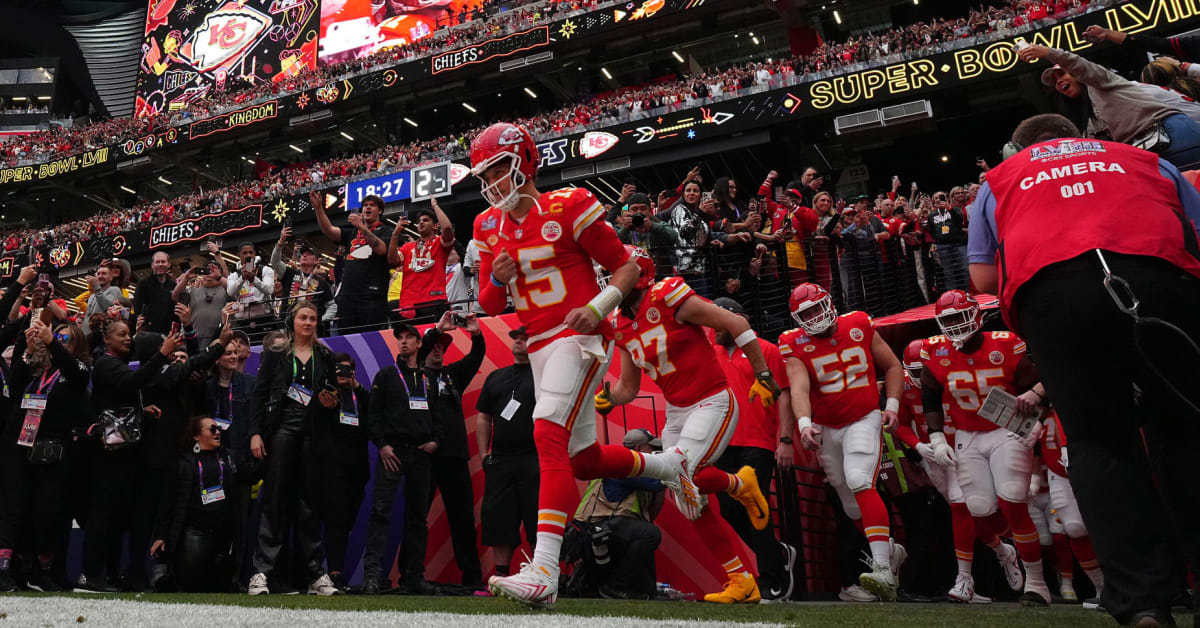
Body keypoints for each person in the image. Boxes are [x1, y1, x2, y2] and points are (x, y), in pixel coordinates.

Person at [968, 113, 1200, 626]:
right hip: (1158, 274)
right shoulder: (1145, 158)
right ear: (1083, 138)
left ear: (1017, 148)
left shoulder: (999, 181)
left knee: (1099, 443)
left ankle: (1143, 604)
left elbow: (983, 274)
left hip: (1054, 294)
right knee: (1186, 431)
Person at [470, 122, 687, 608]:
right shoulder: (487, 226)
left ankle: (545, 568)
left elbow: (627, 265)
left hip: (580, 334)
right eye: (484, 174)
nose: (492, 183)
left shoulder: (569, 204)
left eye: (496, 170)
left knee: (545, 427)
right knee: (582, 458)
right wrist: (498, 281)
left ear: (522, 163)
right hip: (541, 343)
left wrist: (598, 306)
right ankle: (665, 466)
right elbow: (487, 304)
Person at [595, 247, 781, 604]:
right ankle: (741, 579)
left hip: (712, 400)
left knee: (682, 470)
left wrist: (762, 373)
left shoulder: (668, 297)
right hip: (679, 411)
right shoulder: (620, 322)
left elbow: (736, 323)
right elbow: (629, 387)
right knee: (687, 498)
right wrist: (611, 398)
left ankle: (738, 484)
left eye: (616, 270)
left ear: (640, 273)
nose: (610, 279)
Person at [917, 290, 1049, 606]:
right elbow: (931, 397)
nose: (955, 325)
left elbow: (1038, 388)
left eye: (959, 317)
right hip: (968, 434)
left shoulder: (1005, 344)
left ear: (976, 316)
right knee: (978, 508)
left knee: (1014, 501)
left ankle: (1038, 584)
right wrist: (936, 437)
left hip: (1007, 429)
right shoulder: (934, 351)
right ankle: (1009, 551)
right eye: (947, 320)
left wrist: (1037, 421)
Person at [779, 283, 906, 601]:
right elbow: (799, 387)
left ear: (830, 303)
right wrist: (804, 424)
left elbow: (892, 365)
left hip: (863, 416)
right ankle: (890, 550)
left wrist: (891, 405)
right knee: (850, 505)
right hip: (826, 427)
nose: (814, 317)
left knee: (859, 480)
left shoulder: (859, 323)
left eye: (816, 308)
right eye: (805, 314)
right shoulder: (792, 342)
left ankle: (882, 569)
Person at [893, 340, 1023, 604]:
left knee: (963, 508)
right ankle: (1002, 551)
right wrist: (918, 444)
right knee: (967, 516)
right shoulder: (905, 386)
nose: (920, 378)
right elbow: (901, 423)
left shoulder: (952, 374)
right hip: (936, 456)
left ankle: (965, 580)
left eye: (923, 371)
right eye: (914, 372)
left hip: (967, 447)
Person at [79, 317, 180, 592]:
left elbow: (119, 397)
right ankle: (90, 574)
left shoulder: (116, 363)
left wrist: (141, 411)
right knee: (101, 515)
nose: (128, 338)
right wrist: (162, 354)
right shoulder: (105, 363)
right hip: (106, 454)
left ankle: (107, 574)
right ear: (107, 340)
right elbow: (134, 380)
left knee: (112, 518)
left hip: (121, 452)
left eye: (129, 334)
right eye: (122, 334)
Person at [247, 301, 340, 596]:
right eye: (303, 317)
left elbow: (332, 395)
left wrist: (332, 403)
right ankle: (261, 573)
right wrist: (255, 433)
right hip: (282, 432)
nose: (309, 323)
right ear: (293, 320)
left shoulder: (325, 354)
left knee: (309, 507)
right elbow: (259, 395)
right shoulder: (276, 354)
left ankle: (316, 576)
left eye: (313, 318)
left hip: (313, 434)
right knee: (274, 502)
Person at [708, 296, 797, 604]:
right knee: (730, 513)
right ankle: (776, 553)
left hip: (757, 442)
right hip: (721, 444)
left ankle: (772, 578)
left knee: (754, 508)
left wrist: (785, 439)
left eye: (719, 320)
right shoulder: (711, 351)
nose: (714, 327)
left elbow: (784, 394)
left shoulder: (766, 349)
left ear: (737, 319)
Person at [0, 320, 91, 593]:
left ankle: (42, 570)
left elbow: (76, 374)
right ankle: (5, 569)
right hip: (17, 444)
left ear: (75, 346)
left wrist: (53, 342)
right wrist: (28, 353)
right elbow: (13, 389)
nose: (58, 342)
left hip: (52, 449)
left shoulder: (78, 369)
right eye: (55, 337)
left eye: (66, 340)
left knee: (47, 511)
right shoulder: (32, 366)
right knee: (12, 508)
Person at [1017, 43, 1200, 168]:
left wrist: (1048, 53)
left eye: (1062, 74)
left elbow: (1080, 65)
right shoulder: (1089, 117)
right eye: (1055, 81)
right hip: (1153, 145)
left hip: (1170, 133)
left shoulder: (1100, 82)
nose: (1059, 82)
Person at [362, 322, 442, 595]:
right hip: (392, 453)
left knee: (418, 517)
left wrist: (435, 441)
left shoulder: (429, 378)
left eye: (409, 338)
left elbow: (439, 416)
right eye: (400, 338)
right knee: (381, 513)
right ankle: (372, 576)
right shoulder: (385, 375)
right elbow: (373, 416)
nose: (404, 342)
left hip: (421, 453)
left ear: (420, 344)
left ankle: (413, 577)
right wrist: (382, 446)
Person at [421, 312, 485, 587]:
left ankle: (471, 579)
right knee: (416, 517)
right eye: (434, 346)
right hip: (422, 457)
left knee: (462, 520)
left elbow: (475, 357)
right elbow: (419, 349)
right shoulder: (409, 374)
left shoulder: (453, 375)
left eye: (442, 347)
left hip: (455, 458)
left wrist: (476, 333)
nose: (438, 350)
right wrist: (438, 329)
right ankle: (412, 576)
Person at [150, 416, 244, 592]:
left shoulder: (229, 458)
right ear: (196, 435)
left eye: (219, 429)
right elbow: (167, 503)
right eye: (212, 429)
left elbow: (250, 474)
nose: (218, 433)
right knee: (192, 586)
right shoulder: (183, 463)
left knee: (222, 588)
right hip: (194, 534)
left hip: (223, 535)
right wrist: (160, 535)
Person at [572, 429, 667, 601]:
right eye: (651, 448)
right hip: (595, 531)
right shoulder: (625, 465)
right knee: (650, 534)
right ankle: (615, 587)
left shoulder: (619, 462)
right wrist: (669, 465)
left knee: (645, 531)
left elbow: (652, 510)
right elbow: (659, 483)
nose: (654, 454)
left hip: (601, 530)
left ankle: (630, 587)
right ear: (638, 448)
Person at [476, 326, 539, 579]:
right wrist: (484, 455)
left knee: (537, 519)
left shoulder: (544, 375)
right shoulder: (496, 377)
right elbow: (484, 416)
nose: (519, 342)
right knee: (500, 520)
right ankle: (500, 577)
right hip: (500, 460)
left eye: (525, 338)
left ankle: (541, 575)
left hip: (534, 458)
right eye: (517, 338)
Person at [313, 353, 370, 591]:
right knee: (333, 520)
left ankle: (336, 569)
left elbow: (376, 411)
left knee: (346, 523)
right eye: (338, 371)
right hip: (330, 466)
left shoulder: (361, 396)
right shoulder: (325, 393)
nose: (342, 375)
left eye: (347, 371)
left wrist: (356, 385)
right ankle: (333, 572)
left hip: (357, 469)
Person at [1035, 413, 1104, 605]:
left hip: (1089, 465)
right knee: (1074, 528)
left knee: (1107, 524)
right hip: (1058, 474)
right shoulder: (1038, 407)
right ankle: (1101, 588)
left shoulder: (1076, 397)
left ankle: (1123, 583)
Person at [312, 191, 391, 331]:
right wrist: (319, 208)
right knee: (348, 339)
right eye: (365, 205)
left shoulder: (386, 231)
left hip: (371, 295)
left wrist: (361, 226)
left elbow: (381, 250)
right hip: (348, 295)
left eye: (372, 205)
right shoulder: (352, 233)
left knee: (372, 338)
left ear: (380, 210)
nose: (367, 208)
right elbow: (328, 230)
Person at [390, 201, 455, 323]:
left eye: (425, 220)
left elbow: (447, 228)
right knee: (410, 341)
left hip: (434, 300)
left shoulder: (440, 244)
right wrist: (395, 234)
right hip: (409, 305)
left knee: (437, 341)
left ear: (435, 226)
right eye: (419, 221)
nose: (420, 222)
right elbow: (392, 261)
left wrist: (435, 206)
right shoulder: (407, 247)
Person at [173, 261, 229, 347]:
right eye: (207, 271)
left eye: (213, 272)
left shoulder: (227, 289)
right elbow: (175, 296)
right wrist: (186, 278)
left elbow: (235, 291)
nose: (210, 275)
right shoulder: (193, 290)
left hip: (220, 338)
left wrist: (219, 277)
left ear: (219, 274)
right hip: (196, 337)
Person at [923, 192, 969, 293]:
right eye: (936, 198)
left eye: (941, 197)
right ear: (933, 201)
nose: (939, 200)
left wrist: (949, 209)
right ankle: (953, 295)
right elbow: (931, 230)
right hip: (942, 246)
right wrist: (938, 240)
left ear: (946, 198)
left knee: (965, 268)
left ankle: (968, 292)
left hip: (959, 244)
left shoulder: (955, 209)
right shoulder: (932, 215)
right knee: (948, 272)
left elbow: (960, 221)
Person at [227, 243, 275, 320]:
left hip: (263, 318)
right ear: (239, 255)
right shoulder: (234, 275)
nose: (248, 255)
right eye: (245, 253)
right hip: (242, 320)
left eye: (251, 252)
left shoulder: (265, 270)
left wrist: (254, 280)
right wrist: (242, 278)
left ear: (254, 253)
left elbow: (269, 290)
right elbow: (230, 292)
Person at [134, 251, 178, 334]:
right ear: (152, 265)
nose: (160, 264)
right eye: (157, 262)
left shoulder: (173, 285)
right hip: (149, 333)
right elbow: (138, 307)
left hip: (169, 333)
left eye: (163, 261)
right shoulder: (143, 283)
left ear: (168, 264)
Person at [79, 261, 124, 329]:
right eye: (98, 274)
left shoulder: (115, 289)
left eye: (104, 273)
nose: (100, 276)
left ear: (111, 277)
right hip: (88, 334)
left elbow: (107, 306)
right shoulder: (92, 296)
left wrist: (96, 287)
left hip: (103, 333)